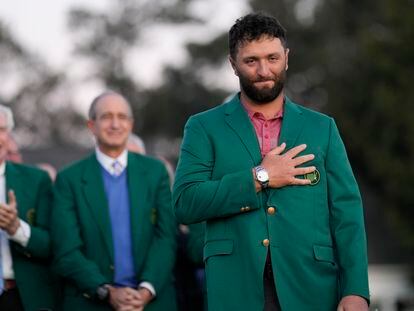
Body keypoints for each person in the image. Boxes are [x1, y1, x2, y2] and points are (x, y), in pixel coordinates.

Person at [173, 13, 369, 311]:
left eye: (272, 58)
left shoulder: (322, 128)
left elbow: (347, 215)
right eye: (251, 60)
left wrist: (355, 290)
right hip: (235, 288)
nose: (264, 70)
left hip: (312, 287)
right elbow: (185, 203)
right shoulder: (203, 127)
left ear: (286, 58)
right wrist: (259, 176)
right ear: (233, 64)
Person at [51, 91, 177, 311]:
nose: (115, 124)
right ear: (91, 125)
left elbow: (166, 237)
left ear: (131, 124)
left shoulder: (155, 172)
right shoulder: (69, 179)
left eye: (122, 117)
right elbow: (66, 250)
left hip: (151, 302)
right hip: (90, 301)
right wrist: (106, 291)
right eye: (106, 116)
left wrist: (146, 291)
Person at [0, 104, 59, 310]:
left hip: (21, 298)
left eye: (1, 130)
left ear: (9, 135)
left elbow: (53, 245)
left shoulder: (36, 181)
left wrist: (16, 228)